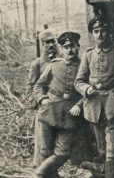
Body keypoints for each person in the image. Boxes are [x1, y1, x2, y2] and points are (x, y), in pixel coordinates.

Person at [75, 16, 114, 178]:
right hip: (94, 108)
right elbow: (78, 81)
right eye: (96, 31)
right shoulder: (88, 54)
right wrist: (86, 89)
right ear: (92, 34)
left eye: (103, 31)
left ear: (109, 32)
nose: (100, 34)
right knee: (102, 148)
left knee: (112, 148)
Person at [33, 32, 82, 178]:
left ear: (78, 47)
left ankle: (39, 173)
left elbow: (90, 89)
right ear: (62, 48)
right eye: (66, 47)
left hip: (70, 115)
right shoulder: (54, 64)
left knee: (63, 152)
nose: (70, 50)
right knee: (45, 151)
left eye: (72, 46)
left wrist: (79, 104)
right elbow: (38, 86)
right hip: (49, 111)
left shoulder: (84, 65)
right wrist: (42, 99)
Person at [26, 29, 58, 167]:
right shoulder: (37, 64)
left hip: (60, 106)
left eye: (53, 41)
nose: (51, 45)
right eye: (47, 42)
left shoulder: (62, 59)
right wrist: (38, 103)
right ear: (42, 44)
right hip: (44, 107)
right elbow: (30, 87)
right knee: (43, 147)